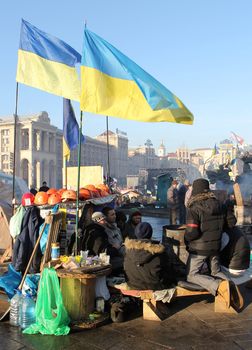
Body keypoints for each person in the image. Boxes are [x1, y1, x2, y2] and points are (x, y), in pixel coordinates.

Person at [184, 178, 243, 310]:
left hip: (199, 249)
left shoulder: (194, 207)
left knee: (191, 275)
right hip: (216, 247)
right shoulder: (220, 204)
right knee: (215, 271)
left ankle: (219, 286)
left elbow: (192, 233)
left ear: (195, 190)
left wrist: (186, 239)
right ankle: (229, 284)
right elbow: (231, 223)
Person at [124, 222, 175, 290]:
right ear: (150, 234)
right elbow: (167, 271)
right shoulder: (159, 251)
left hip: (133, 284)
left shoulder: (128, 250)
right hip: (154, 286)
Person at [102, 206, 125, 271]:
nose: (115, 216)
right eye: (112, 215)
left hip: (122, 252)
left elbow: (121, 242)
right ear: (105, 217)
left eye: (114, 214)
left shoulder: (117, 228)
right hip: (114, 257)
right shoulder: (105, 230)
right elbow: (115, 246)